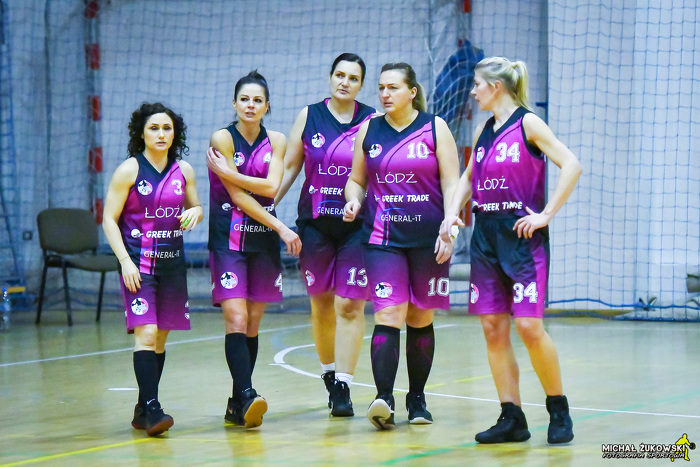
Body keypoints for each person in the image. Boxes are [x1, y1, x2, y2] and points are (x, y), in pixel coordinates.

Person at [439, 56, 582, 444]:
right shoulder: (484, 130)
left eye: (477, 84)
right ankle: (512, 417)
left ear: (496, 87)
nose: (472, 91)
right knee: (492, 327)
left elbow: (571, 164)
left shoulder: (528, 123)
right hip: (486, 236)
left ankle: (558, 410)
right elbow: (468, 179)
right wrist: (451, 215)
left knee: (529, 326)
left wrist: (546, 214)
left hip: (521, 238)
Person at [343, 62, 460, 429]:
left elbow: (452, 183)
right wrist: (353, 200)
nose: (384, 94)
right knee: (388, 314)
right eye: (381, 87)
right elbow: (356, 180)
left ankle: (417, 399)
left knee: (420, 317)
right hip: (382, 239)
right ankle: (384, 399)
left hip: (428, 239)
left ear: (412, 92)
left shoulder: (435, 127)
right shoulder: (369, 129)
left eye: (392, 87)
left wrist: (450, 225)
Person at [275, 53, 376, 416]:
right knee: (321, 303)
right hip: (315, 224)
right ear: (330, 78)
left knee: (349, 304)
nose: (345, 82)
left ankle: (345, 386)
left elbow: (378, 172)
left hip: (356, 226)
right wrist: (266, 208)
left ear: (361, 85)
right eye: (340, 75)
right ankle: (330, 376)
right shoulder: (309, 115)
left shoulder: (372, 120)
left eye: (353, 78)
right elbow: (289, 167)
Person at [206, 70, 301, 429]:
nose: (250, 105)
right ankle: (247, 393)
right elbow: (239, 197)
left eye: (257, 100)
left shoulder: (276, 140)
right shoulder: (222, 137)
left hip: (262, 243)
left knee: (253, 323)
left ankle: (236, 403)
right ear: (234, 103)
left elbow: (272, 187)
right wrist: (281, 226)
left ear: (267, 106)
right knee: (236, 318)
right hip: (228, 240)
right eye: (244, 99)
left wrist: (229, 173)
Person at [103, 102, 204, 437]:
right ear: (142, 133)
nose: (161, 134)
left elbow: (195, 206)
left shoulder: (184, 170)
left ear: (175, 134)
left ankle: (142, 407)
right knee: (146, 335)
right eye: (154, 128)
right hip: (138, 265)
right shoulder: (129, 170)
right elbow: (108, 219)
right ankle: (153, 408)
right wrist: (124, 261)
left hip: (172, 265)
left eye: (167, 128)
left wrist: (196, 213)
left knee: (160, 338)